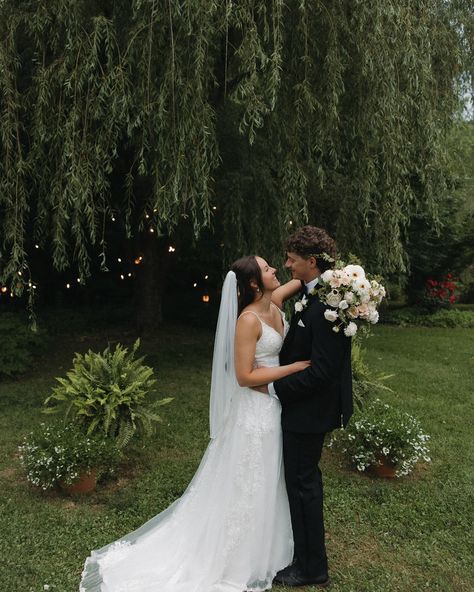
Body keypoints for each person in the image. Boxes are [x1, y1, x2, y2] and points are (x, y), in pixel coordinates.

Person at [79, 255, 307, 592]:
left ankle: (267, 543)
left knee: (269, 477)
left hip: (274, 406)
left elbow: (302, 280)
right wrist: (293, 369)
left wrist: (332, 277)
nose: (276, 269)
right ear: (255, 283)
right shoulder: (247, 320)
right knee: (247, 480)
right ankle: (235, 555)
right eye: (268, 268)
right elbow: (244, 376)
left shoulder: (273, 301)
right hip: (254, 410)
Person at [256, 226, 353, 588]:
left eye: (292, 260)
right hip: (306, 408)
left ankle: (312, 568)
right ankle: (305, 556)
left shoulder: (330, 302)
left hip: (309, 411)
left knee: (303, 485)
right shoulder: (318, 291)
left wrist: (276, 388)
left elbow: (324, 371)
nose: (287, 266)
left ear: (312, 261)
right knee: (302, 483)